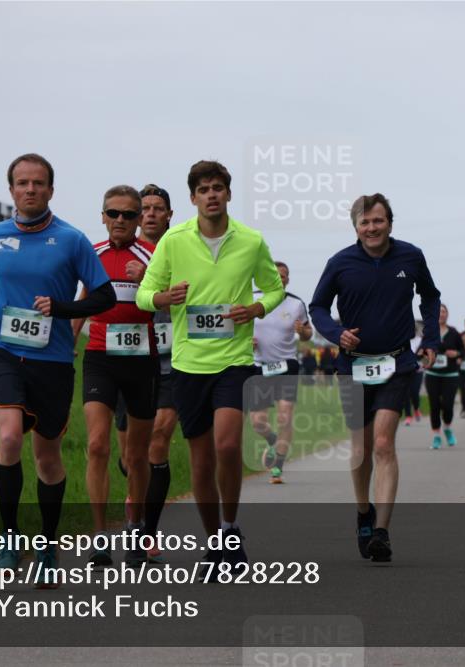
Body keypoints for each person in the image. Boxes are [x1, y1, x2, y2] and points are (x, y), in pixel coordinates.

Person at [0, 153, 115, 587]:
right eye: (22, 183)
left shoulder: (71, 239)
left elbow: (103, 297)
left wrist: (62, 308)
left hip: (53, 359)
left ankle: (47, 546)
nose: (30, 190)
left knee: (47, 456)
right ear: (11, 190)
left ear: (51, 189)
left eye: (39, 183)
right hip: (2, 348)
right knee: (9, 436)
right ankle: (9, 540)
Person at [135, 160, 284, 570]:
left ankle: (232, 526)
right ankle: (216, 541)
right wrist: (164, 298)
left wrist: (255, 307)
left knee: (228, 444)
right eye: (204, 189)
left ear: (228, 195)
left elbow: (274, 289)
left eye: (218, 187)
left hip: (234, 361)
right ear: (193, 198)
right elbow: (144, 293)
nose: (212, 194)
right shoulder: (174, 242)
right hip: (188, 364)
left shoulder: (251, 241)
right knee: (200, 460)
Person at [309, 193, 440, 563]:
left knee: (383, 443)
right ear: (356, 227)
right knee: (361, 448)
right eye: (365, 222)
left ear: (390, 223)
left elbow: (430, 298)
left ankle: (381, 531)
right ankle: (363, 511)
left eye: (378, 221)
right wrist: (336, 334)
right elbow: (317, 306)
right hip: (352, 366)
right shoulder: (340, 262)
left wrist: (430, 339)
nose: (372, 228)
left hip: (397, 364)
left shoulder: (410, 257)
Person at [71, 185, 160, 567]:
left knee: (136, 456)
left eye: (128, 214)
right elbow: (82, 300)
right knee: (96, 446)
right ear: (103, 216)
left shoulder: (155, 255)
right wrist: (66, 342)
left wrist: (149, 280)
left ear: (139, 219)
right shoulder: (92, 254)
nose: (120, 221)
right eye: (113, 214)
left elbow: (174, 300)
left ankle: (136, 529)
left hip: (142, 360)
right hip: (100, 357)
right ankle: (99, 539)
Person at [112, 184, 179, 564]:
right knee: (129, 456)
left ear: (169, 215)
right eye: (145, 208)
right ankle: (134, 492)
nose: (151, 214)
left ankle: (146, 531)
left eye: (158, 208)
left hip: (173, 362)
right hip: (130, 356)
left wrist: (153, 279)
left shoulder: (183, 248)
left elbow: (200, 291)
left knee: (157, 440)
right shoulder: (121, 250)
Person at [251, 261, 313, 484]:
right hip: (258, 365)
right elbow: (235, 329)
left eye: (284, 275)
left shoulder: (296, 304)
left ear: (288, 279)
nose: (280, 278)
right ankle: (272, 439)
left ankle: (277, 466)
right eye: (276, 275)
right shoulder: (251, 299)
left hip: (286, 365)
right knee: (258, 421)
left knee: (285, 416)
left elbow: (308, 333)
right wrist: (245, 341)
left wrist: (303, 331)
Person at [425, 304, 464, 448]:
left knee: (448, 406)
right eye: (439, 311)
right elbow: (421, 350)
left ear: (447, 315)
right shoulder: (429, 332)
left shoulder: (454, 333)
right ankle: (436, 436)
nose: (441, 314)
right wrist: (423, 354)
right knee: (434, 405)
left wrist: (457, 354)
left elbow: (463, 351)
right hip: (432, 374)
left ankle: (447, 428)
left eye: (443, 312)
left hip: (451, 374)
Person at [402, 327, 424, 427]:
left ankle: (416, 409)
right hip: (405, 370)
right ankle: (408, 416)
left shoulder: (421, 341)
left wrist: (422, 354)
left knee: (414, 392)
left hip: (418, 370)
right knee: (406, 393)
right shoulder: (403, 340)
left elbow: (425, 355)